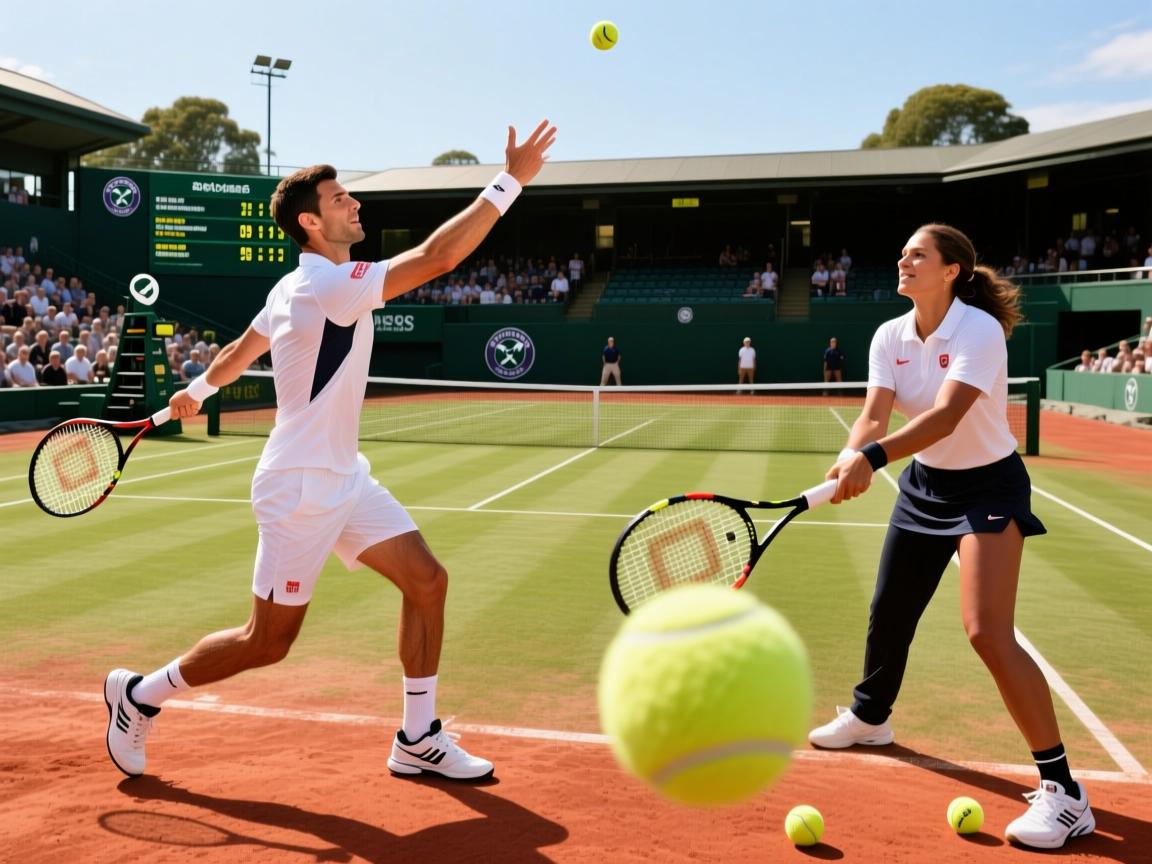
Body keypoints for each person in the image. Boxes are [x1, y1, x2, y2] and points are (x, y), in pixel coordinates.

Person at [103, 119, 557, 783]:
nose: (356, 205)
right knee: (268, 642)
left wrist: (196, 389)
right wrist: (510, 178)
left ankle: (417, 734)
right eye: (341, 199)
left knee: (427, 580)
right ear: (312, 224)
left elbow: (238, 353)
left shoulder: (293, 287)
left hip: (344, 479)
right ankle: (139, 695)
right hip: (298, 489)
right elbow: (438, 259)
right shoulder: (325, 285)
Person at [811, 223, 1093, 850]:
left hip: (989, 488)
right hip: (925, 487)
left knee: (986, 631)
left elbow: (945, 416)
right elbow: (873, 414)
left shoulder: (979, 330)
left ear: (952, 271)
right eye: (903, 253)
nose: (903, 261)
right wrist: (848, 453)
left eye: (918, 255)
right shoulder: (889, 335)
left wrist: (874, 458)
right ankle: (870, 717)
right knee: (890, 610)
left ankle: (1065, 793)